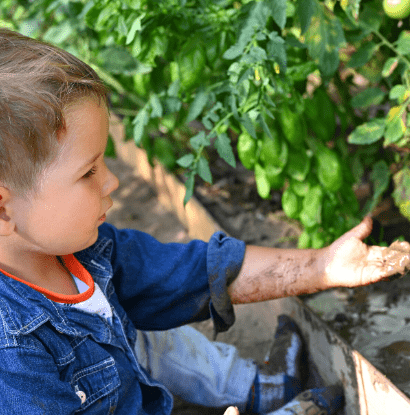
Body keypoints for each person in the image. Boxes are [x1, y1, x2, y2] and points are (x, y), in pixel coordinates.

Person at [0, 27, 408, 415]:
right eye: (88, 172)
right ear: (3, 210)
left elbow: (195, 273)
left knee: (145, 323)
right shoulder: (12, 357)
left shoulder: (85, 253)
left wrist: (322, 266)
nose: (112, 180)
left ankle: (259, 385)